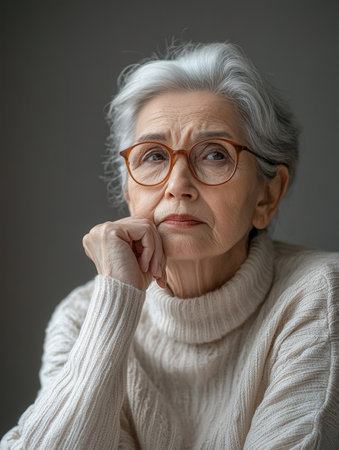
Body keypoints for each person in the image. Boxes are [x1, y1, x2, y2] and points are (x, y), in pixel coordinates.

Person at [1, 42, 338, 450]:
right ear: (129, 191)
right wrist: (116, 302)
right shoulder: (80, 318)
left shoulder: (320, 295)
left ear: (267, 195)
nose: (178, 184)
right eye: (154, 156)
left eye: (214, 154)